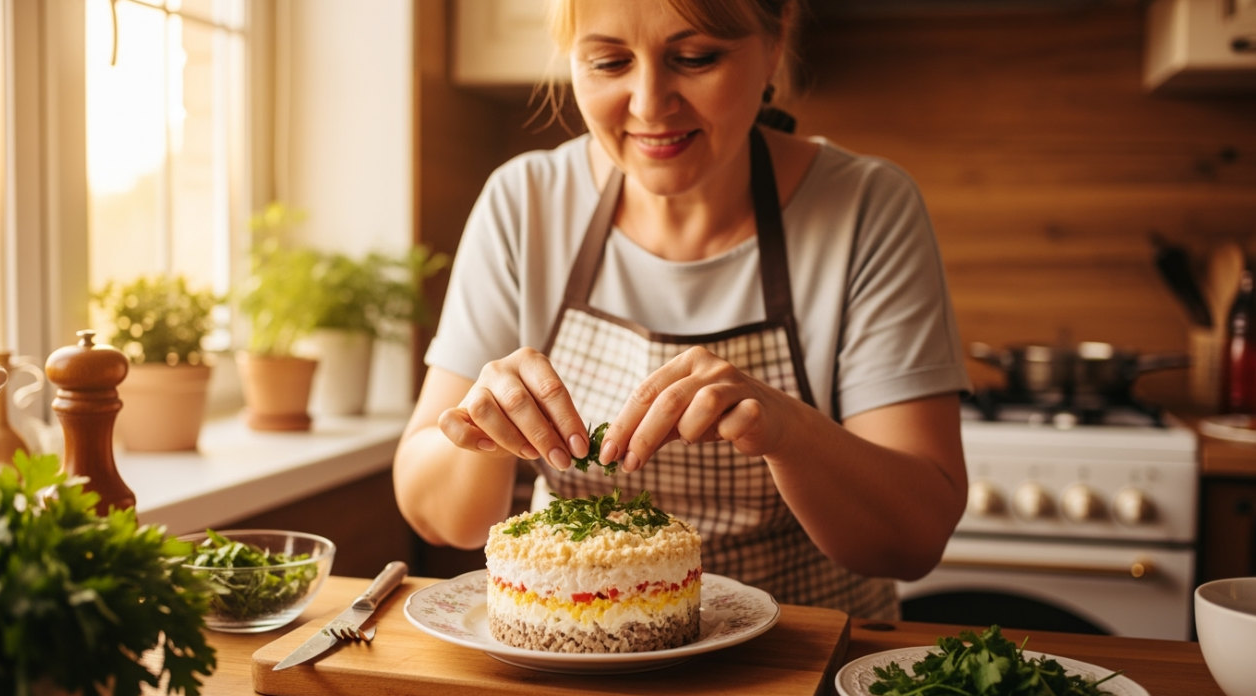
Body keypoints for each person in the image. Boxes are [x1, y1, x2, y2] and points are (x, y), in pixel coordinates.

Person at [393, 0, 970, 619]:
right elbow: (437, 516)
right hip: (574, 651)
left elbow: (913, 541)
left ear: (775, 41)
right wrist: (485, 432)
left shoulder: (867, 209)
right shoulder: (525, 203)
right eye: (609, 62)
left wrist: (786, 430)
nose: (649, 104)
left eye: (695, 58)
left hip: (803, 654)